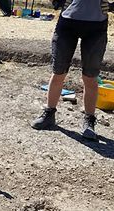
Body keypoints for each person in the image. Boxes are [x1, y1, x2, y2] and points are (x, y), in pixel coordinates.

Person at [31, 0, 113, 140]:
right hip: (67, 24)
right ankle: (49, 113)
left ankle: (89, 121)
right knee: (58, 72)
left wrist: (112, 6)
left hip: (96, 27)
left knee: (90, 77)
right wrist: (58, 2)